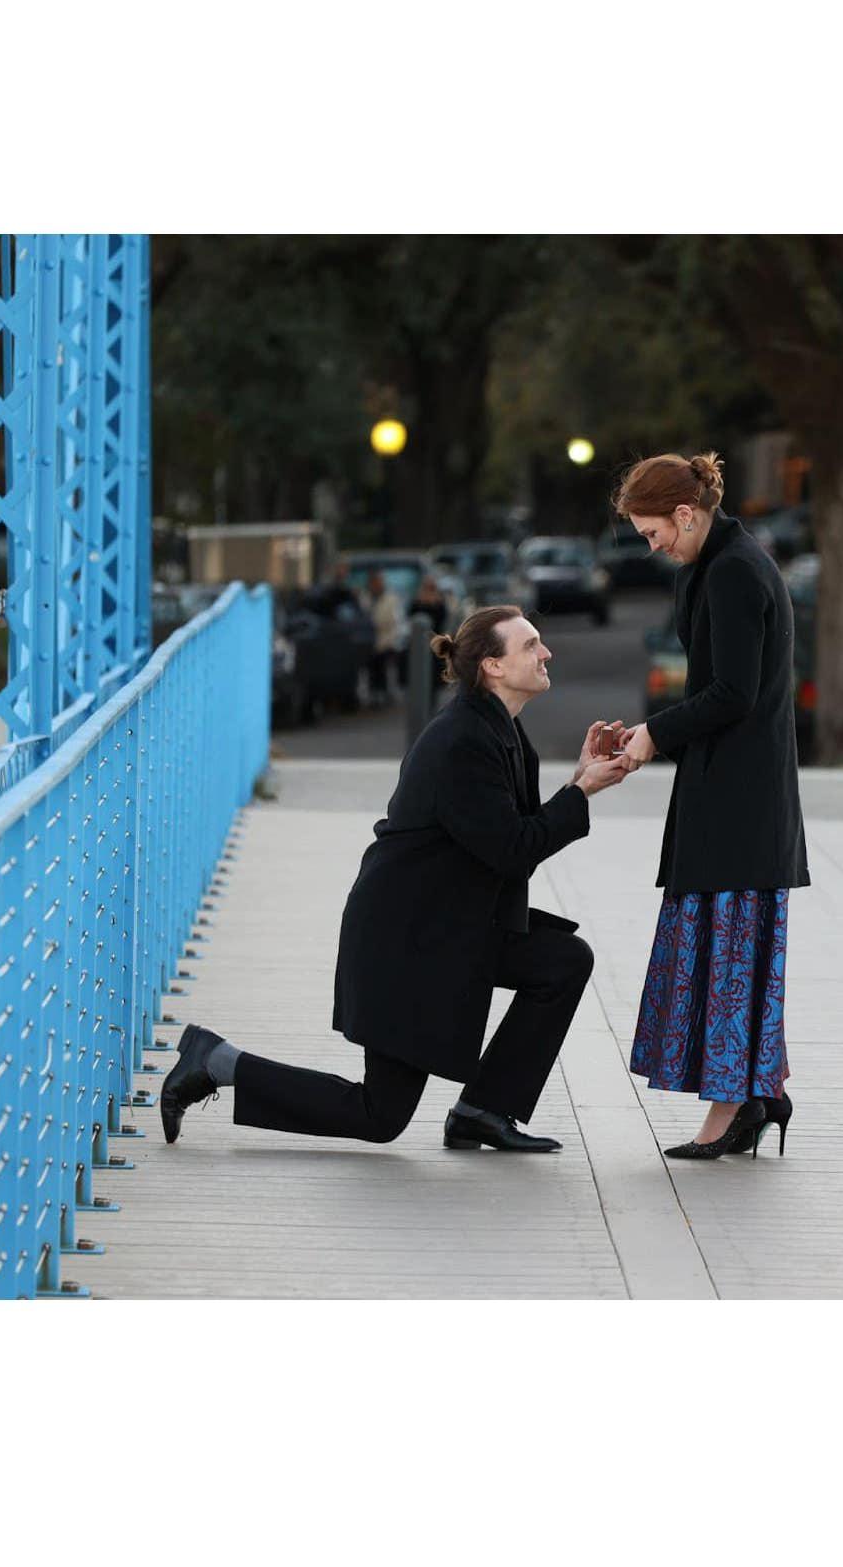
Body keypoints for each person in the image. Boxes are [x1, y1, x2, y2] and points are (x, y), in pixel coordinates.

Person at [158, 606, 632, 1152]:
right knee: (379, 1116)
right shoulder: (463, 742)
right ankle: (216, 1062)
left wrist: (576, 781)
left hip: (453, 930)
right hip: (407, 943)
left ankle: (483, 1109)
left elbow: (513, 843)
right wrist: (581, 794)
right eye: (531, 645)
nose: (545, 653)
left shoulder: (499, 730)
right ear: (493, 667)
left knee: (562, 961)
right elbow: (511, 850)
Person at [613, 451, 808, 1160]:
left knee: (727, 955)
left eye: (651, 531)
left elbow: (734, 693)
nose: (651, 544)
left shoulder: (730, 571)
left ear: (685, 514)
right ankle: (759, 1093)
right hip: (736, 792)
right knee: (734, 951)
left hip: (739, 799)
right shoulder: (719, 563)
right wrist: (650, 737)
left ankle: (732, 1114)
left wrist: (653, 735)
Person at [366, 571, 404, 704]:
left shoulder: (392, 599)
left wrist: (385, 643)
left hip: (388, 642)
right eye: (374, 583)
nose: (376, 585)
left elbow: (395, 625)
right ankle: (373, 692)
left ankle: (385, 692)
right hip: (369, 641)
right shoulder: (365, 598)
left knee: (383, 659)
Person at [408, 572, 449, 692]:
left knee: (434, 681)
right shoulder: (417, 602)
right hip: (419, 644)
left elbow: (442, 620)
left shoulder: (439, 603)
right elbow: (410, 617)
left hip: (434, 645)